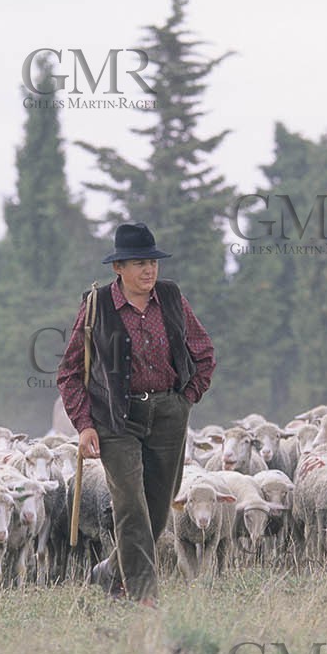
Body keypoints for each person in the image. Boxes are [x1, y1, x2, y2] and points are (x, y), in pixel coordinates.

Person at [56, 221, 216, 605]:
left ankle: (110, 571)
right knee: (130, 505)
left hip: (168, 413)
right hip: (115, 417)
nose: (149, 271)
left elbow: (204, 351)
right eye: (139, 263)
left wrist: (186, 398)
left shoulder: (172, 298)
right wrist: (84, 426)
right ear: (118, 268)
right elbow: (69, 373)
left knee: (158, 511)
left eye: (153, 262)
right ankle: (143, 596)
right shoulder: (96, 306)